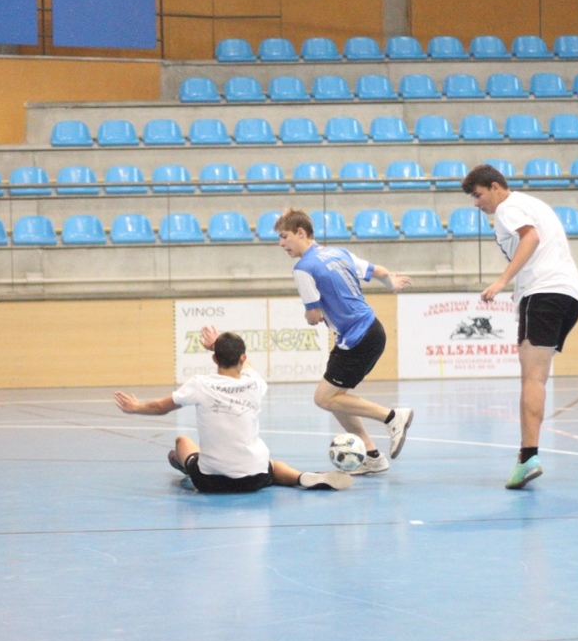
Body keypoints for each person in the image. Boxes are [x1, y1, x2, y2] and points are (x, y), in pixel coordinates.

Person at [462, 164, 578, 489]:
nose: (477, 203)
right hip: (570, 296)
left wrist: (503, 280)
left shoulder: (508, 207)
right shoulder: (533, 203)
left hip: (544, 293)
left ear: (495, 186)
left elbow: (531, 237)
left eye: (478, 195)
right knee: (538, 377)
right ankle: (526, 455)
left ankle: (528, 456)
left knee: (532, 378)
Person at [114, 326, 352, 493]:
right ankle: (300, 477)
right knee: (270, 464)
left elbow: (160, 407)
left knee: (182, 441)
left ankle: (186, 465)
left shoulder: (200, 384)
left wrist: (136, 407)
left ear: (214, 360)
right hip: (255, 480)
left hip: (211, 483)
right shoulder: (255, 383)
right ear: (243, 358)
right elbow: (247, 366)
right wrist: (217, 344)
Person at [273, 208, 414, 475]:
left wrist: (310, 315)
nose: (281, 244)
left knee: (323, 398)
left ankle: (392, 417)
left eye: (284, 236)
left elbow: (314, 315)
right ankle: (371, 455)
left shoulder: (303, 268)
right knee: (335, 397)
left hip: (357, 338)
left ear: (300, 232)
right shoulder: (338, 252)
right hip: (371, 330)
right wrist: (390, 284)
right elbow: (378, 270)